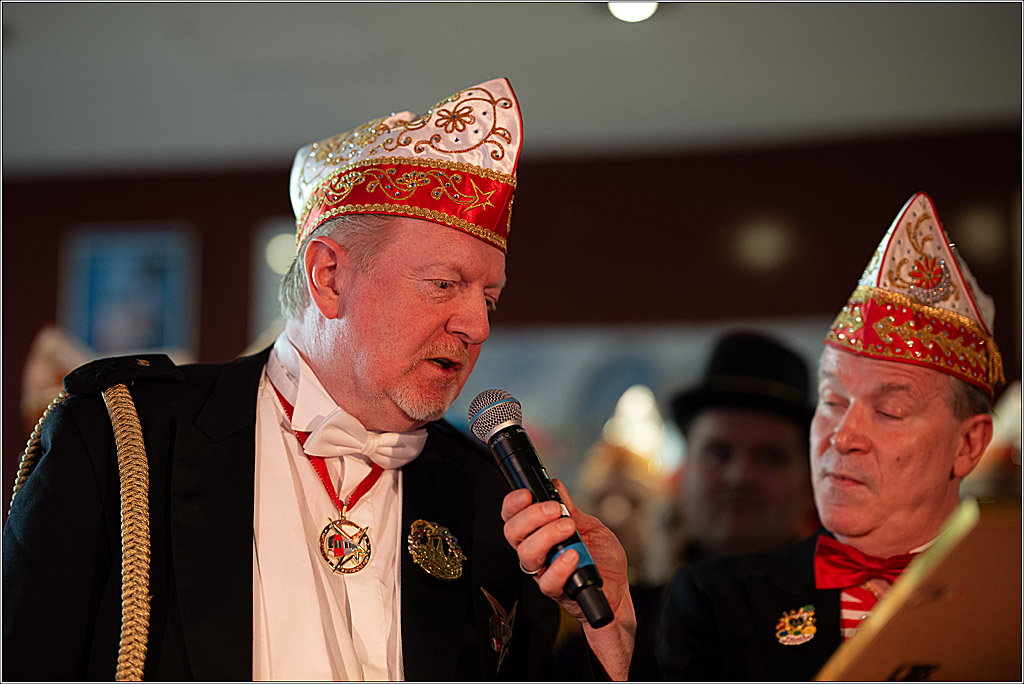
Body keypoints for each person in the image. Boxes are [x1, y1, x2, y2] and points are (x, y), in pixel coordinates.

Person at [3, 78, 645, 681]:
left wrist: (608, 638)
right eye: (444, 285)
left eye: (491, 299)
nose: (476, 324)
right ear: (329, 277)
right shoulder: (126, 439)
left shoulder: (490, 500)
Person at [656, 192, 1003, 680]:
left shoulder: (1010, 599)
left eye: (889, 409)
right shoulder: (721, 599)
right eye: (833, 403)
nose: (842, 437)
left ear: (968, 444)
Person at [667, 331, 819, 562]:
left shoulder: (866, 599)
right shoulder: (618, 598)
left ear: (809, 483)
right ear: (683, 471)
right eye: (718, 454)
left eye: (770, 458)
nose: (739, 476)